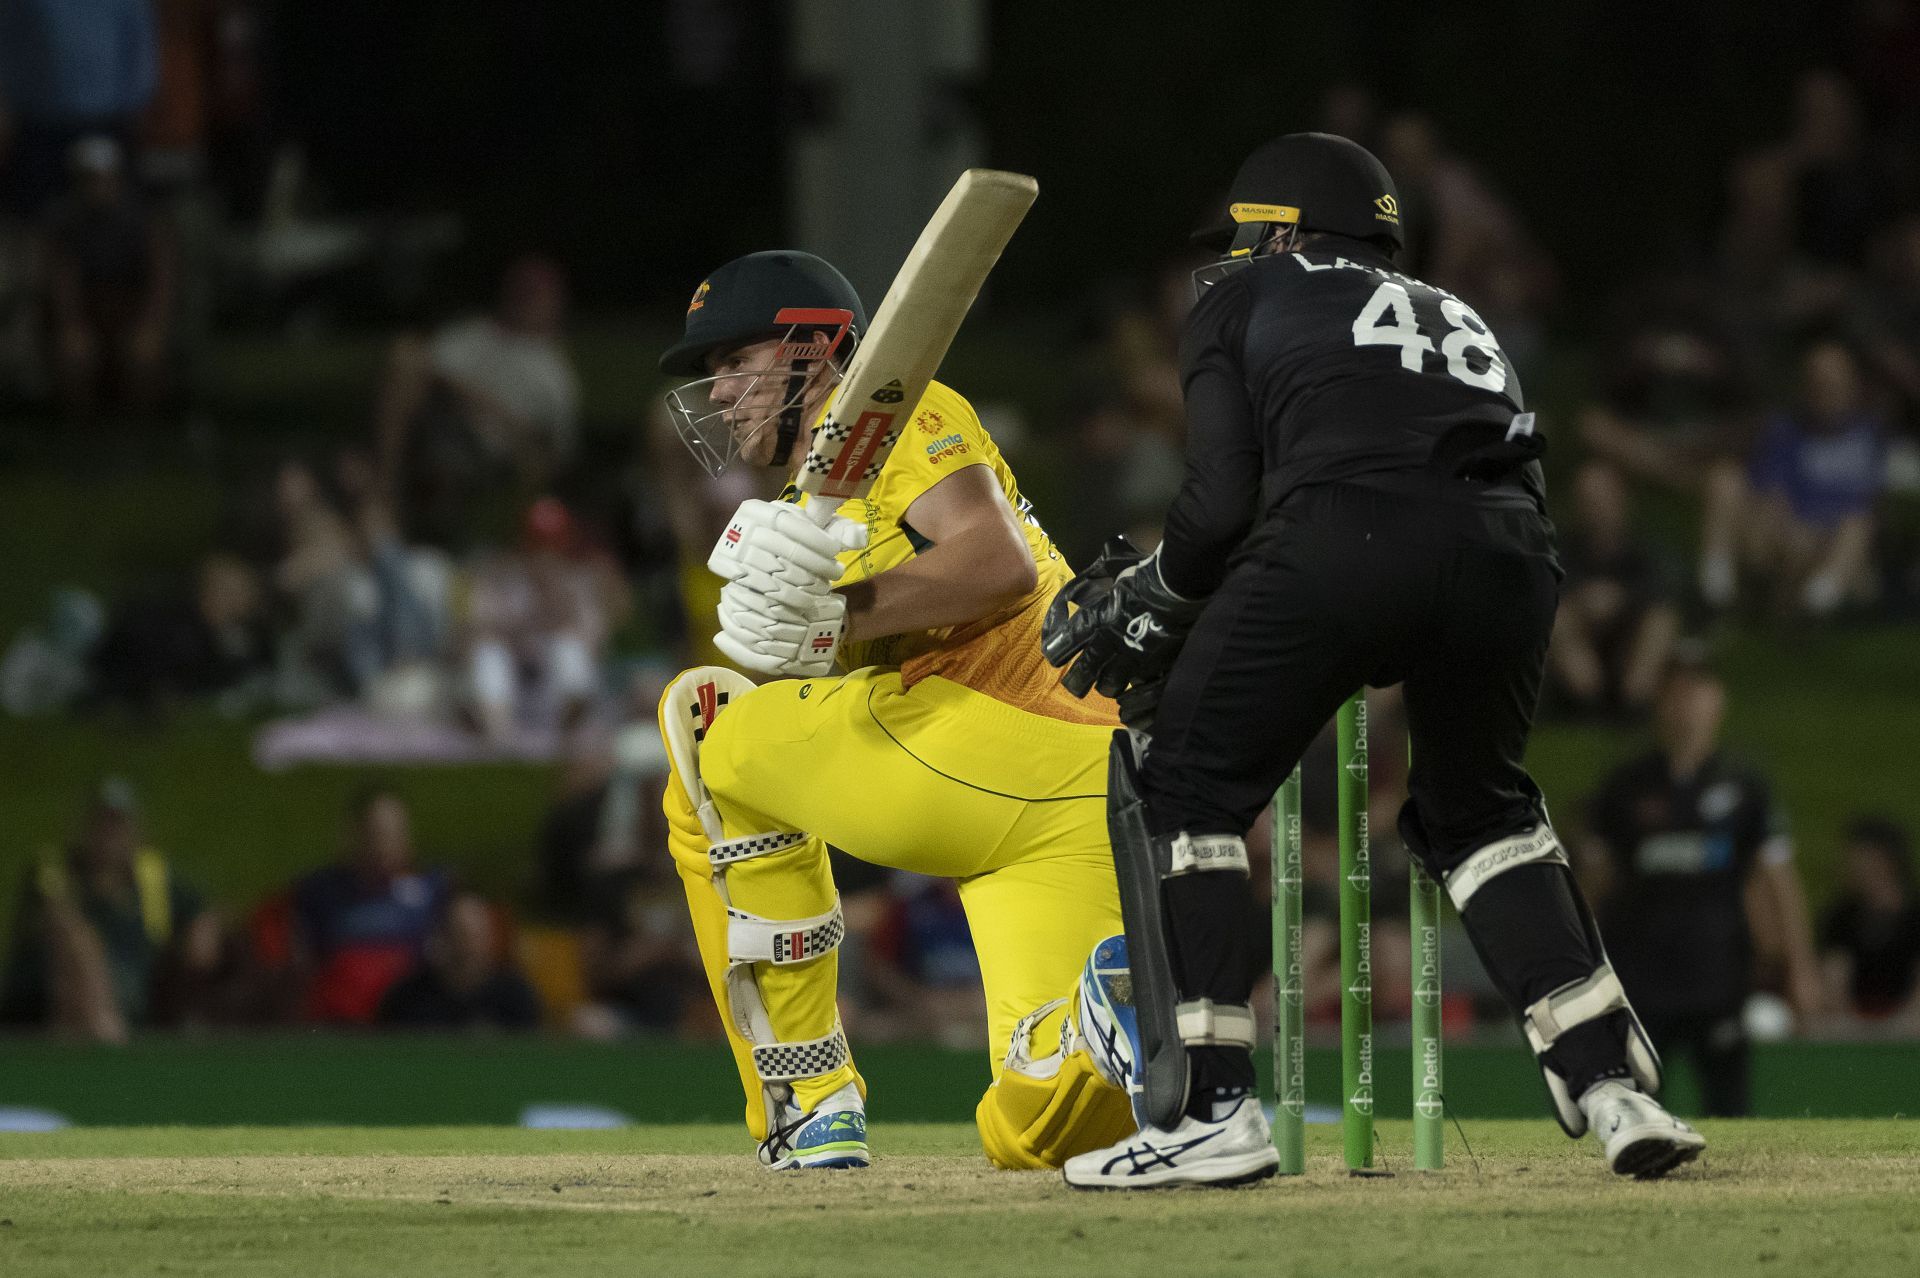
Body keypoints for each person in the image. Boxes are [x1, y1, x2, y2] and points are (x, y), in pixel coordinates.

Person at [1042, 133, 1703, 1188]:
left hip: (1346, 539)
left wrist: (1155, 598)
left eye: (1250, 236)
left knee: (1186, 789)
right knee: (1480, 812)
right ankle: (1613, 1085)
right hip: (1512, 552)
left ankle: (1210, 1110)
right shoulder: (1457, 308)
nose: (1234, 257)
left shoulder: (1239, 303)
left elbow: (1218, 512)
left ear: (1292, 230)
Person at [651, 249, 1139, 1172]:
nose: (717, 393)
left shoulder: (885, 408)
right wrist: (833, 628)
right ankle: (1102, 1020)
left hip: (979, 731)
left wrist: (835, 619)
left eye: (733, 362)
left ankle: (809, 1096)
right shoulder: (817, 497)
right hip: (1091, 780)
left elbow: (997, 563)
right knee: (1038, 1122)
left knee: (708, 720)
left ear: (809, 351)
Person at [1580, 656, 1824, 1115]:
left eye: (1698, 692)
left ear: (1718, 702)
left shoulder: (1745, 786)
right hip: (1638, 976)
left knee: (1729, 1108)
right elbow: (1593, 883)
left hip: (1719, 976)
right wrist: (1580, 965)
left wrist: (1800, 965)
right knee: (1638, 1108)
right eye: (1677, 693)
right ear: (1659, 703)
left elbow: (1778, 881)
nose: (1687, 706)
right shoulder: (1625, 786)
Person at [0, 777, 218, 1041]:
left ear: (136, 831)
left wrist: (201, 934)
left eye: (117, 824)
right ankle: (108, 1042)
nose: (108, 835)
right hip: (49, 992)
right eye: (100, 823)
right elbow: (59, 926)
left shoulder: (154, 879)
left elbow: (203, 915)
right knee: (79, 949)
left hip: (132, 989)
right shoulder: (53, 871)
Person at [288, 786, 451, 1023]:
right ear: (354, 835)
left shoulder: (434, 893)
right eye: (377, 833)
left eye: (395, 833)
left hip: (410, 1028)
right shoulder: (318, 894)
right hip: (340, 1029)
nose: (385, 844)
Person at [376, 891, 543, 1032]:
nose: (470, 944)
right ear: (442, 936)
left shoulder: (515, 997)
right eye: (460, 934)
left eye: (478, 934)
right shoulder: (407, 997)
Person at [1818, 816, 1920, 1026]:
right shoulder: (1841, 917)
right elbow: (1834, 986)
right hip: (1853, 1027)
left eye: (1856, 856)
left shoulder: (1914, 916)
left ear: (1883, 860)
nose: (1846, 864)